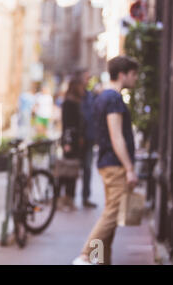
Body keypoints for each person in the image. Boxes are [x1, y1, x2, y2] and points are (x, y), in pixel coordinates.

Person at [73, 56, 139, 265]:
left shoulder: (103, 97)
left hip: (107, 161)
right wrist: (129, 167)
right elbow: (116, 135)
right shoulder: (113, 99)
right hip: (114, 163)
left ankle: (101, 261)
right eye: (134, 74)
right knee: (112, 214)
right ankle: (86, 255)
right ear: (122, 74)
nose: (135, 79)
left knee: (111, 217)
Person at [58, 77, 85, 212]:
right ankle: (64, 198)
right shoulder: (69, 103)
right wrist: (67, 142)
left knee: (72, 170)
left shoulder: (75, 102)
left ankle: (69, 198)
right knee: (67, 170)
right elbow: (67, 124)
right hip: (70, 140)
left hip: (75, 141)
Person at [75, 68, 98, 208]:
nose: (88, 81)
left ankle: (85, 197)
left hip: (89, 138)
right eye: (86, 78)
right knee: (73, 168)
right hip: (78, 139)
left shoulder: (90, 95)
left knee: (87, 168)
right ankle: (68, 196)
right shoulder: (76, 96)